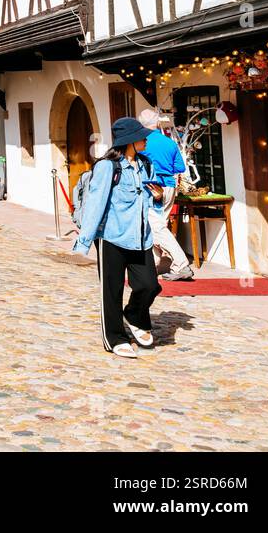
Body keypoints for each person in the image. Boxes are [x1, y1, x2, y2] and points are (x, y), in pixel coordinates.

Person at [72, 117, 162, 359]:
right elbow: (95, 205)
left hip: (140, 237)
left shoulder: (145, 165)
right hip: (111, 237)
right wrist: (84, 242)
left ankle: (134, 315)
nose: (146, 139)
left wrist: (158, 197)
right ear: (129, 141)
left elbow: (149, 199)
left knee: (149, 285)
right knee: (111, 291)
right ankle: (114, 338)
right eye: (142, 136)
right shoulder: (107, 167)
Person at [139, 109, 194, 281]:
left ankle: (181, 264)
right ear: (158, 123)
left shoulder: (142, 142)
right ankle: (152, 266)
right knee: (158, 225)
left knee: (156, 226)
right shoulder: (169, 142)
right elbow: (180, 168)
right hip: (169, 186)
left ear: (141, 123)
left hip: (151, 186)